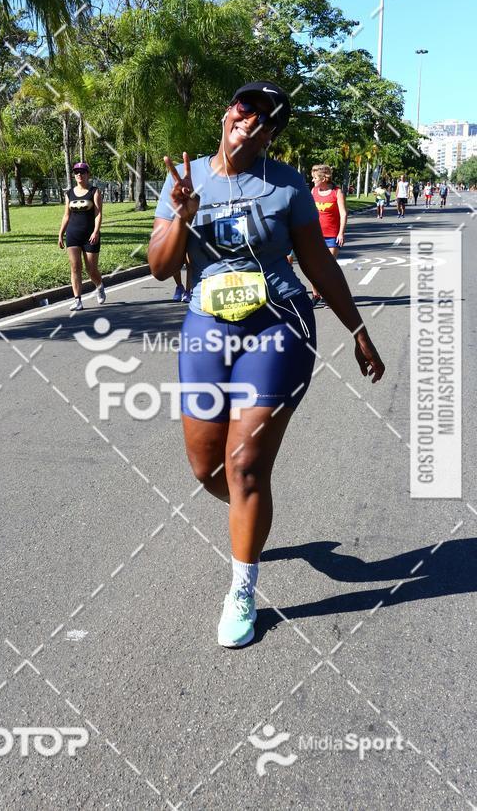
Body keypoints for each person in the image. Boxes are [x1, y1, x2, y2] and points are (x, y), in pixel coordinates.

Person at [148, 80, 385, 648]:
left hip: (279, 326)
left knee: (246, 463)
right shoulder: (186, 179)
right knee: (208, 470)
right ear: (227, 111)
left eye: (262, 116)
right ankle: (249, 514)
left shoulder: (288, 186)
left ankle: (242, 589)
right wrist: (180, 216)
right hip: (207, 326)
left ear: (272, 133)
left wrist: (357, 329)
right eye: (242, 106)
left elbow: (317, 266)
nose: (246, 117)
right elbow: (159, 267)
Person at [58, 161, 106, 310]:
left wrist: (96, 231)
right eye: (76, 172)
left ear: (87, 174)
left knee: (91, 269)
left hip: (90, 235)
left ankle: (99, 285)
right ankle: (77, 300)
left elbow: (98, 213)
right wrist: (60, 234)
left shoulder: (94, 191)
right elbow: (66, 215)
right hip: (73, 234)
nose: (79, 174)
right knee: (75, 267)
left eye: (82, 172)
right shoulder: (69, 193)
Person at [309, 164, 348, 306]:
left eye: (315, 178)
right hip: (315, 236)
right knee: (313, 268)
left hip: (332, 236)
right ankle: (316, 294)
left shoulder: (337, 192)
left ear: (324, 178)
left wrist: (341, 233)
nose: (312, 180)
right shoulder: (313, 191)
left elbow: (343, 213)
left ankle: (330, 296)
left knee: (327, 268)